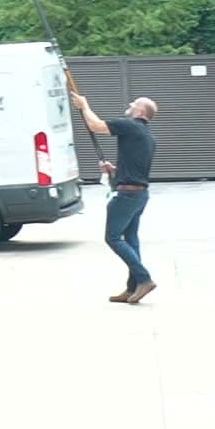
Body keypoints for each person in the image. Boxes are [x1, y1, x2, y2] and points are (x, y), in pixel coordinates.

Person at [73, 89, 157, 303]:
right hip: (140, 195)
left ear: (139, 110)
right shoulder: (147, 136)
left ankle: (144, 279)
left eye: (134, 103)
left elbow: (96, 126)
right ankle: (132, 288)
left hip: (127, 196)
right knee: (131, 239)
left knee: (112, 238)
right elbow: (136, 167)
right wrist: (114, 170)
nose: (129, 104)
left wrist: (84, 106)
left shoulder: (129, 125)